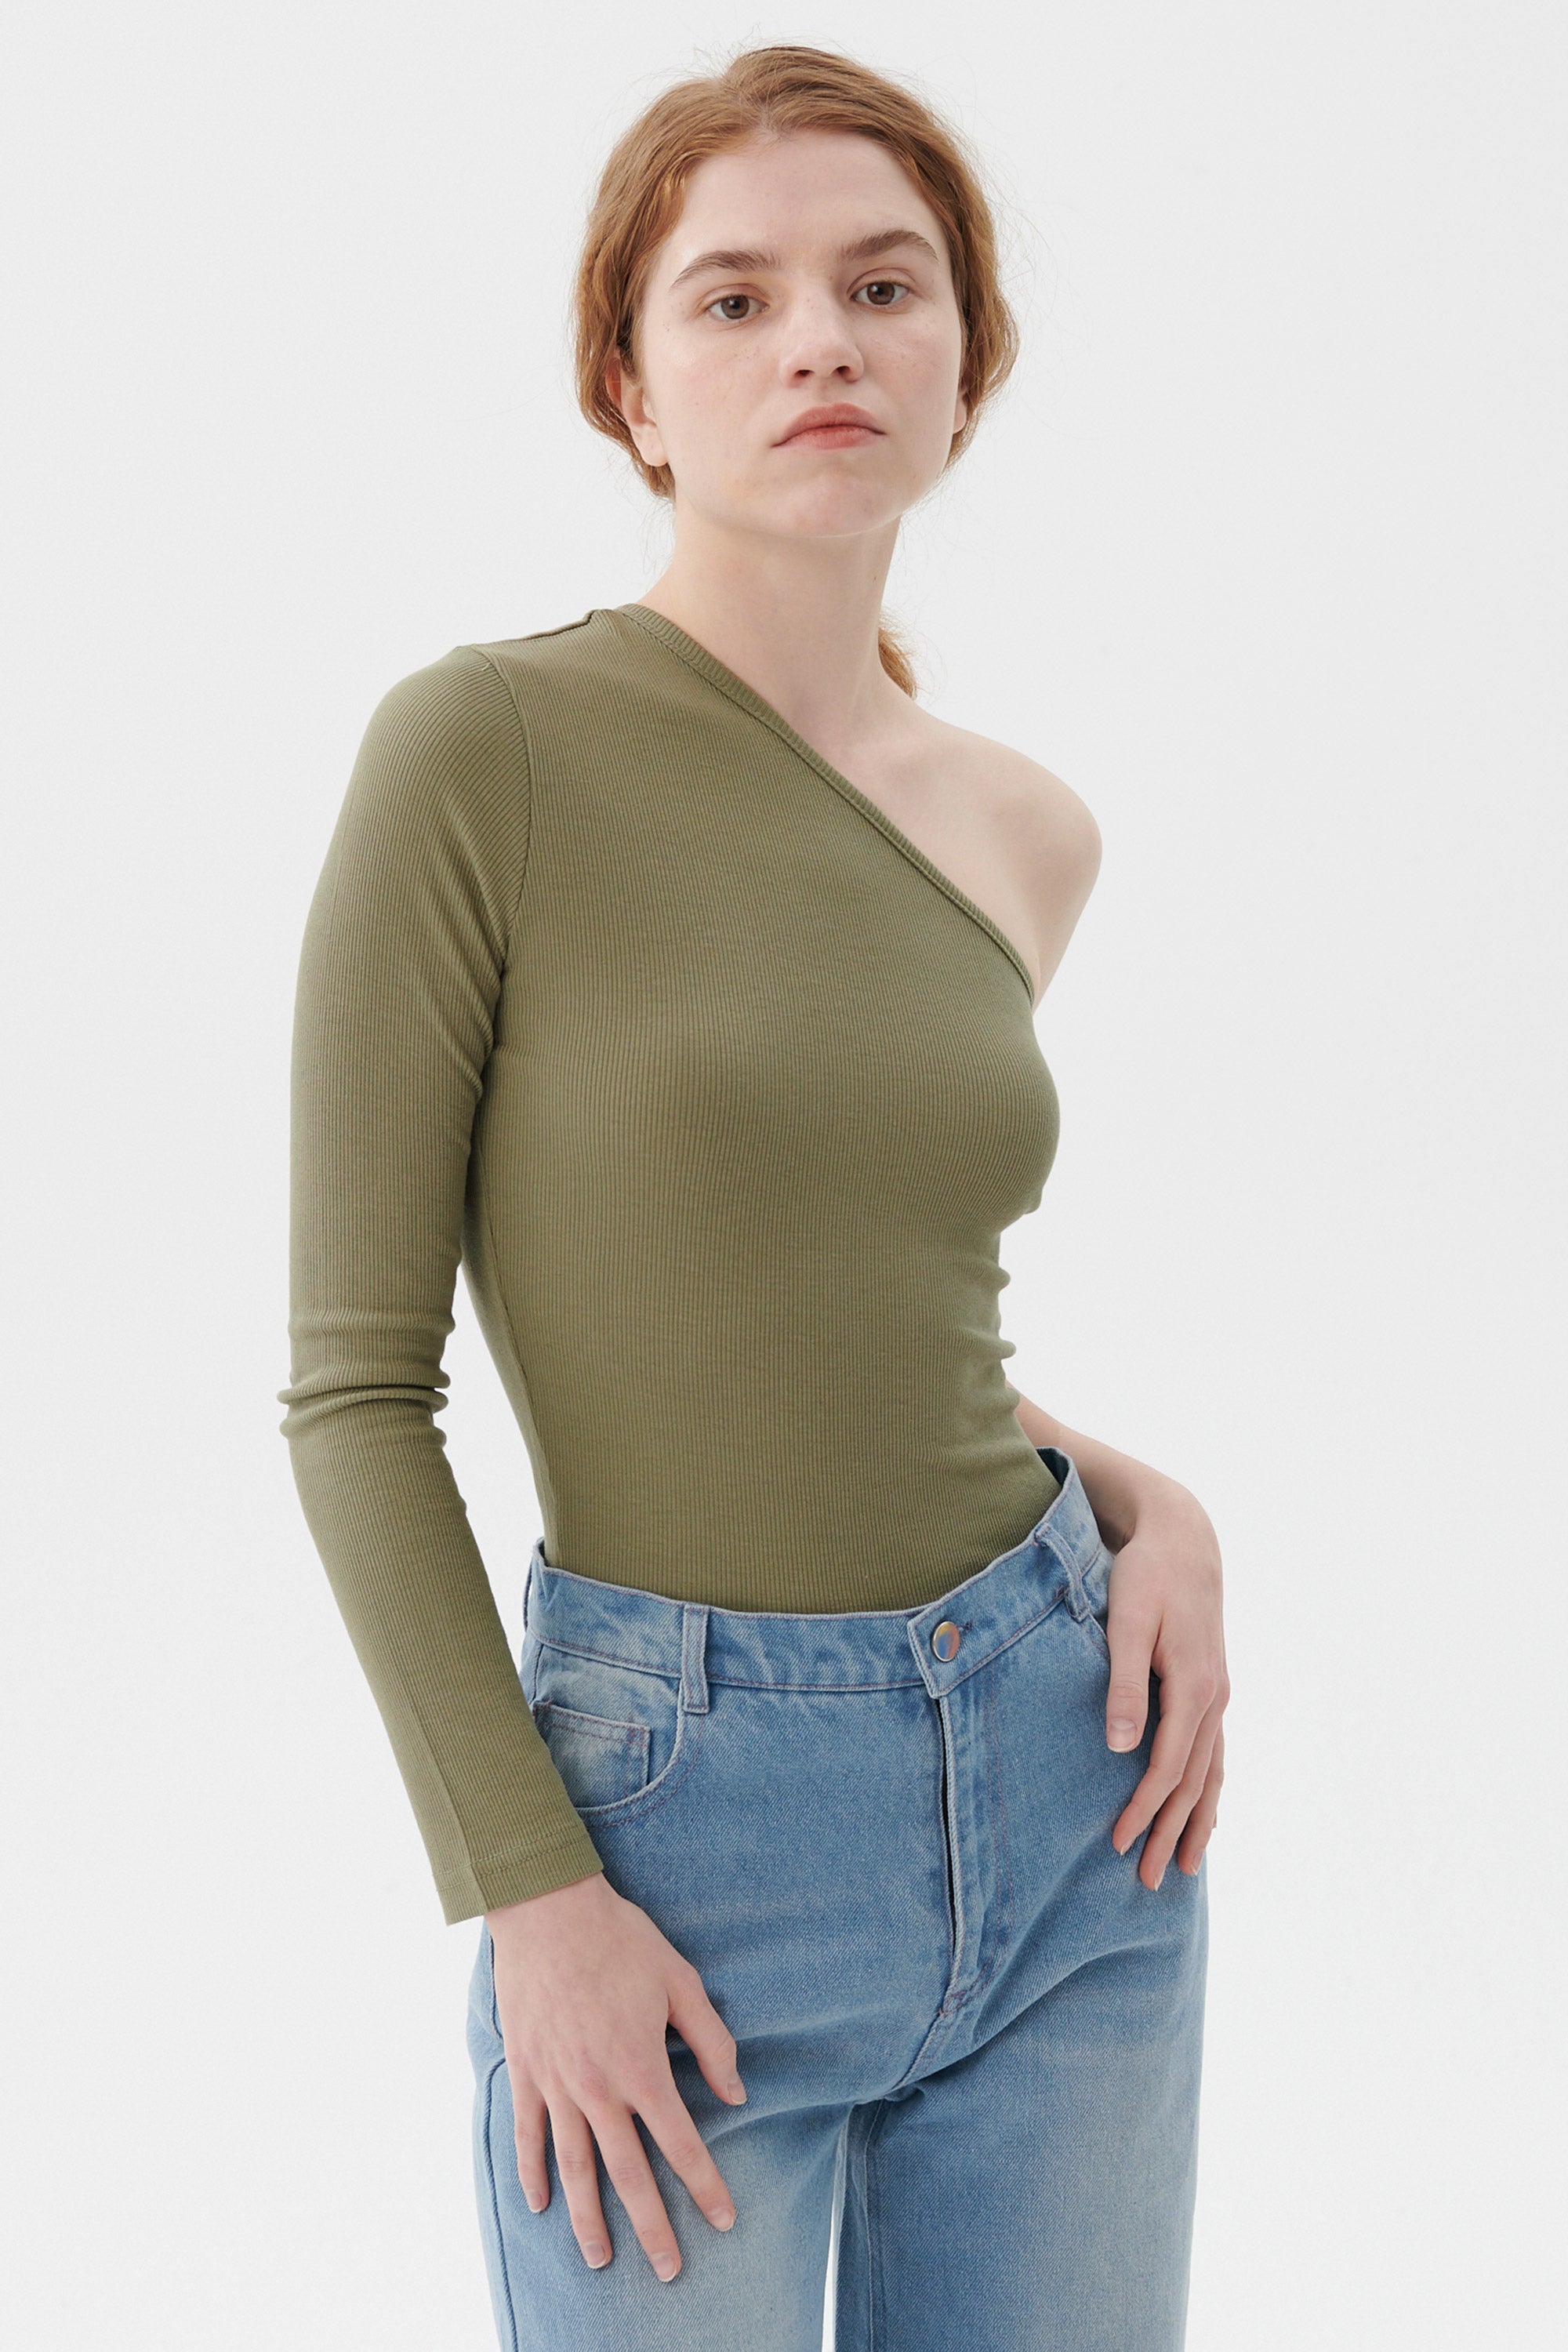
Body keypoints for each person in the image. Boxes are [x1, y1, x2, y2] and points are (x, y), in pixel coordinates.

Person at [279, 42, 1229, 2352]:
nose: (822, 341)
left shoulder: (1024, 830)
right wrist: (532, 1902)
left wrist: (1150, 1505)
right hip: (672, 1836)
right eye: (736, 298)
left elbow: (846, 1313)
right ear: (631, 386)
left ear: (967, 360)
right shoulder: (484, 753)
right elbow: (355, 1394)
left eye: (885, 287)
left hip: (1073, 1783)